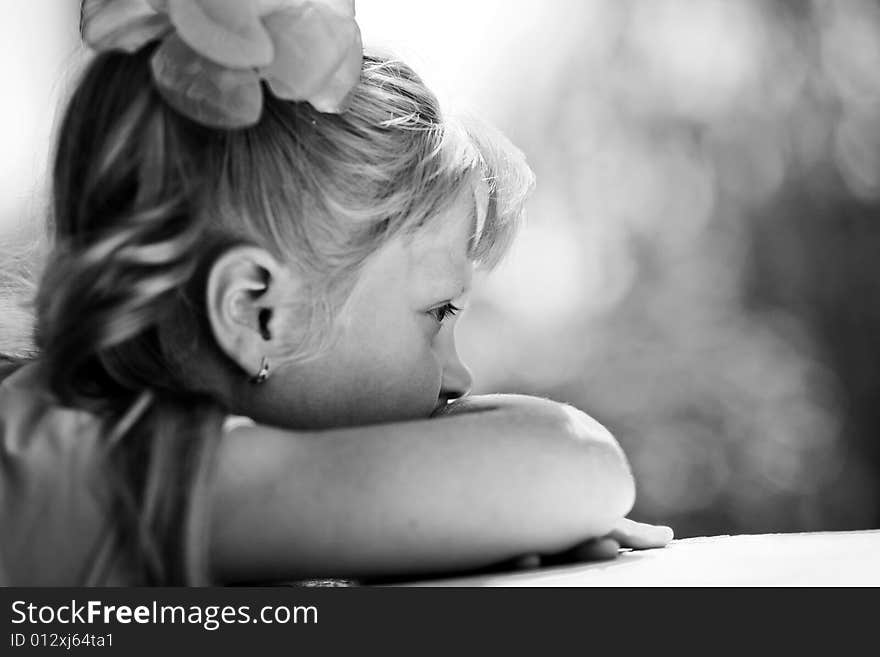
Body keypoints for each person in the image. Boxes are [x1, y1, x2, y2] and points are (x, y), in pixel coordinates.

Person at [0, 0, 672, 585]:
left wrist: (468, 516)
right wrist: (505, 493)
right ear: (255, 311)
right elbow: (577, 465)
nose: (459, 378)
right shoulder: (106, 475)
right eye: (436, 312)